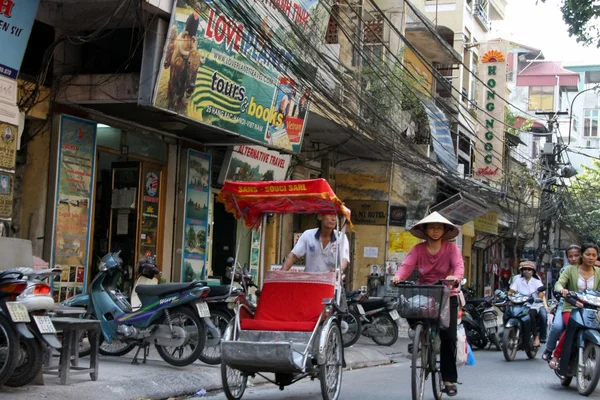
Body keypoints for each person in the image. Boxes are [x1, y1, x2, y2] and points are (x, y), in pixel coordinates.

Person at [391, 212, 463, 397]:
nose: (436, 231)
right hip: (424, 293)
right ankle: (419, 336)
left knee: (448, 337)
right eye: (432, 227)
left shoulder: (451, 249)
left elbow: (458, 267)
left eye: (439, 227)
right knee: (407, 304)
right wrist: (398, 276)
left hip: (447, 294)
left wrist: (455, 278)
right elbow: (406, 266)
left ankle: (448, 379)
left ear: (445, 230)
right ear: (425, 230)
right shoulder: (417, 249)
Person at [549, 242, 600, 369]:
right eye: (588, 254)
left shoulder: (599, 272)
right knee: (571, 327)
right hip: (572, 307)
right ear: (582, 255)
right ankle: (556, 355)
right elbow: (559, 284)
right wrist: (562, 290)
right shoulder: (570, 270)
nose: (591, 257)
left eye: (594, 255)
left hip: (593, 309)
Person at [542, 244, 581, 361]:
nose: (573, 258)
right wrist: (562, 291)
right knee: (558, 326)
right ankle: (549, 349)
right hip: (567, 303)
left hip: (589, 303)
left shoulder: (592, 269)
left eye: (576, 255)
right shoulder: (566, 270)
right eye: (570, 256)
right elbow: (558, 285)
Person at [283, 213, 349, 273]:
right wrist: (281, 273)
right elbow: (293, 256)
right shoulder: (308, 235)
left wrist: (338, 270)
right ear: (320, 216)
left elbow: (344, 260)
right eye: (330, 214)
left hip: (331, 282)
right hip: (311, 281)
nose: (334, 219)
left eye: (335, 216)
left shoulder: (341, 237)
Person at [508, 261, 548, 348]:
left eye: (529, 269)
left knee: (530, 314)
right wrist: (509, 294)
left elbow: (541, 294)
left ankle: (536, 336)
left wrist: (539, 294)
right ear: (522, 271)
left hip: (534, 305)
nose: (527, 271)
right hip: (519, 304)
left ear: (533, 272)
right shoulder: (518, 280)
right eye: (524, 269)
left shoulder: (537, 282)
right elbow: (512, 291)